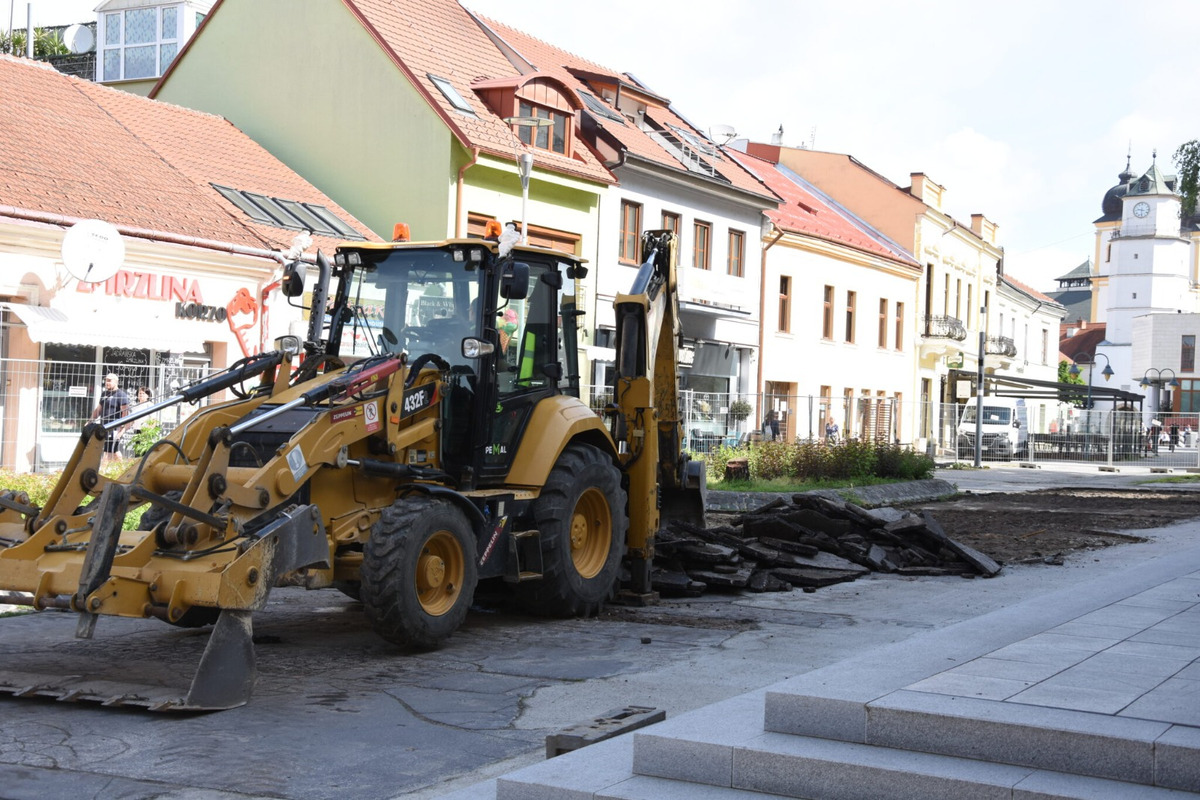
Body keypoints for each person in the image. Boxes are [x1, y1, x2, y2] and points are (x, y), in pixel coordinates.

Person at [90, 373, 130, 464]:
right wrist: (90, 421)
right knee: (114, 451)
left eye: (109, 381)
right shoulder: (104, 394)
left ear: (116, 382)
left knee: (108, 452)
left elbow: (125, 413)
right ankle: (123, 468)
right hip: (104, 427)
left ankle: (104, 472)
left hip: (114, 427)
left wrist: (122, 429)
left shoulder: (121, 395)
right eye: (106, 380)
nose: (106, 383)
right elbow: (98, 410)